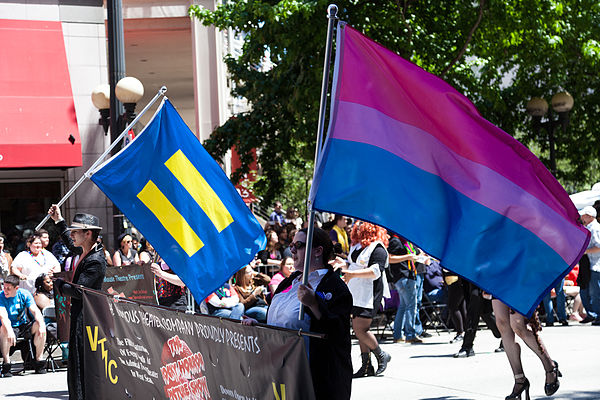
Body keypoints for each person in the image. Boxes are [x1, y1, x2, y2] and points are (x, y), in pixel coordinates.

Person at [244, 227, 353, 400]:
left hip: (316, 382)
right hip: (283, 378)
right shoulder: (289, 281)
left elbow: (337, 334)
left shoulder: (336, 287)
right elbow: (282, 325)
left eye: (299, 245)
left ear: (318, 251)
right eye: (291, 244)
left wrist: (314, 304)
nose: (292, 250)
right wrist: (260, 327)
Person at [48, 204, 107, 400]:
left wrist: (56, 283)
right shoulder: (86, 249)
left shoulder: (96, 260)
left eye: (76, 231)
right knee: (75, 361)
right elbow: (71, 244)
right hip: (81, 314)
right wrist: (59, 220)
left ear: (88, 233)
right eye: (71, 231)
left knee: (81, 362)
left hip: (87, 317)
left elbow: (79, 291)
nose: (72, 235)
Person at [342, 221, 391, 377]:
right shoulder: (358, 247)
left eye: (360, 227)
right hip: (355, 293)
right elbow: (354, 265)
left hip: (369, 294)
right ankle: (366, 366)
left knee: (360, 329)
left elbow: (375, 271)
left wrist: (352, 274)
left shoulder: (378, 248)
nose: (356, 228)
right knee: (359, 329)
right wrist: (342, 263)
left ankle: (381, 354)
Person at [493, 298, 561, 399]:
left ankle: (550, 367)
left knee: (518, 325)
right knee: (502, 325)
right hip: (498, 283)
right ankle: (520, 380)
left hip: (518, 283)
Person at [0, 274, 47, 376]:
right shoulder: (1, 297)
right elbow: (3, 317)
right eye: (4, 287)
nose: (5, 290)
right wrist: (9, 330)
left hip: (23, 325)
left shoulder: (24, 294)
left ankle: (39, 361)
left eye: (8, 288)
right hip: (8, 326)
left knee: (39, 326)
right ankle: (7, 364)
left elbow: (35, 311)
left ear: (16, 288)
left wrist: (42, 324)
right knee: (4, 328)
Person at [387, 235, 420, 344]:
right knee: (411, 306)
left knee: (403, 306)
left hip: (406, 276)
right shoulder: (396, 241)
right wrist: (407, 257)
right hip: (403, 276)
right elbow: (390, 258)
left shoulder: (406, 242)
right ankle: (410, 334)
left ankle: (398, 335)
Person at [579, 206, 600, 325]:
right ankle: (592, 314)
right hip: (589, 264)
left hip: (595, 264)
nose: (582, 217)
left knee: (594, 292)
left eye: (584, 215)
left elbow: (599, 246)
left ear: (589, 216)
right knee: (586, 291)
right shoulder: (590, 228)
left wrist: (585, 251)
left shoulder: (595, 229)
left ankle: (597, 315)